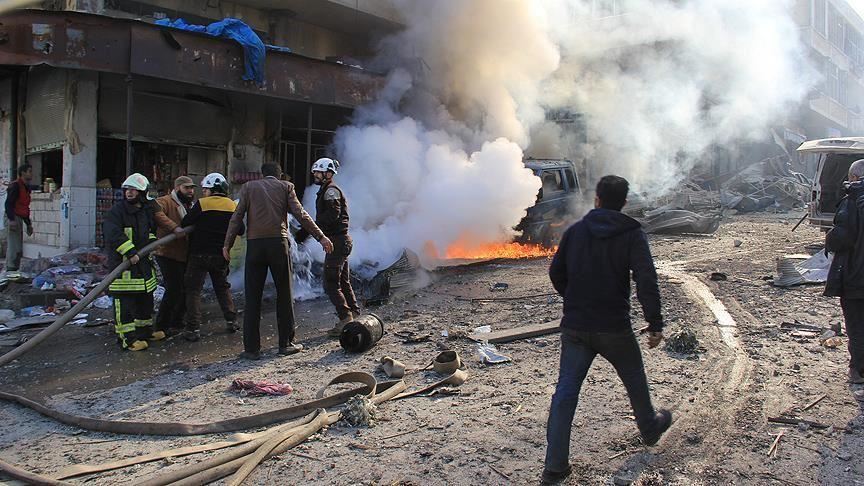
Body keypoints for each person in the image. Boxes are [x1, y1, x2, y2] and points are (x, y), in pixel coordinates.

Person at [542, 175, 672, 484]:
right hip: (614, 327)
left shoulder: (575, 232)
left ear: (597, 199)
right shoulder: (632, 234)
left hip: (576, 327)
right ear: (623, 202)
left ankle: (555, 466)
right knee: (634, 378)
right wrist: (654, 323)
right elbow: (646, 279)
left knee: (565, 392)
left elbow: (556, 272)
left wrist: (574, 299)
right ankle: (650, 428)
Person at [224, 163, 332, 360]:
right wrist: (321, 237)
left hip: (255, 246)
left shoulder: (248, 187)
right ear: (280, 175)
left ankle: (251, 349)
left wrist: (227, 245)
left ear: (262, 174)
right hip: (278, 244)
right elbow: (301, 215)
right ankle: (286, 344)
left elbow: (236, 217)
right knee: (284, 294)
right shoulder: (286, 187)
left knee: (252, 297)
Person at [181, 173, 243, 342]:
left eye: (206, 189)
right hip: (221, 255)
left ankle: (193, 329)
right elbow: (241, 229)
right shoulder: (231, 205)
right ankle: (231, 321)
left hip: (199, 254)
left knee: (193, 291)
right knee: (222, 288)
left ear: (213, 189)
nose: (204, 192)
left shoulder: (202, 204)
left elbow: (185, 222)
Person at [103, 173, 162, 351]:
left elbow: (149, 231)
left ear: (142, 193)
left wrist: (153, 244)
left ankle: (144, 332)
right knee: (125, 306)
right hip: (124, 268)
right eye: (127, 189)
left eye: (134, 190)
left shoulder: (145, 211)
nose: (129, 192)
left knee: (145, 302)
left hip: (142, 266)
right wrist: (129, 251)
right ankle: (127, 339)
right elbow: (113, 233)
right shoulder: (117, 211)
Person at [309, 158, 361, 337]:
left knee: (331, 283)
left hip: (337, 242)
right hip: (340, 242)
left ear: (328, 173)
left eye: (318, 172)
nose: (315, 175)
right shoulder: (327, 190)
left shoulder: (331, 191)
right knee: (343, 281)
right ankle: (354, 314)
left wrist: (311, 227)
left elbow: (333, 214)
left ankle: (345, 318)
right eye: (315, 172)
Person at [825, 159, 864, 384]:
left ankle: (858, 370)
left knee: (857, 324)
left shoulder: (852, 200)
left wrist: (829, 238)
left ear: (854, 178)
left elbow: (842, 237)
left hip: (856, 275)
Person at [153, 176, 195, 335]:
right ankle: (162, 324)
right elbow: (156, 213)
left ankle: (177, 321)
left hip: (184, 253)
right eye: (187, 188)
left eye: (192, 188)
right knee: (174, 288)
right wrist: (174, 228)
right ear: (177, 188)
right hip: (167, 252)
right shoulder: (165, 201)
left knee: (185, 288)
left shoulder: (189, 205)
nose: (190, 191)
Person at [5, 164, 34, 272]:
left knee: (18, 247)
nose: (31, 174)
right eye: (29, 171)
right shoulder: (16, 186)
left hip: (19, 217)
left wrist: (28, 224)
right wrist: (12, 220)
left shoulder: (26, 187)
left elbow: (24, 207)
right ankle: (10, 270)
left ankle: (14, 269)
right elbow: (8, 204)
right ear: (23, 173)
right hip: (13, 217)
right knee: (14, 246)